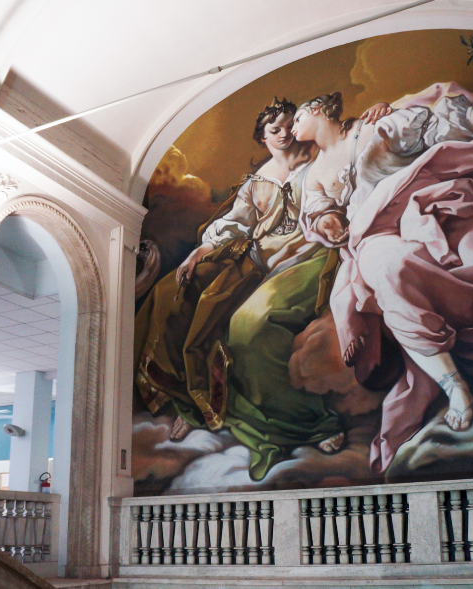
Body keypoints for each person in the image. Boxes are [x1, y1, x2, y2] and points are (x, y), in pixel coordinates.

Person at [292, 81, 473, 473]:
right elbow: (319, 214)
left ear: (318, 109)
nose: (293, 127)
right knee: (393, 270)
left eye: (298, 117)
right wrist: (328, 223)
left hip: (435, 206)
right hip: (374, 235)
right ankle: (453, 384)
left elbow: (450, 125)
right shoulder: (312, 174)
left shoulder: (377, 126)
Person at [134, 98, 349, 481]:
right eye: (274, 129)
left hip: (309, 256)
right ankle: (194, 406)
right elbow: (236, 223)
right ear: (263, 137)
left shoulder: (321, 160)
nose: (284, 134)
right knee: (174, 296)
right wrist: (200, 251)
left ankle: (308, 425)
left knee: (247, 329)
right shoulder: (259, 180)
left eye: (288, 125)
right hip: (258, 260)